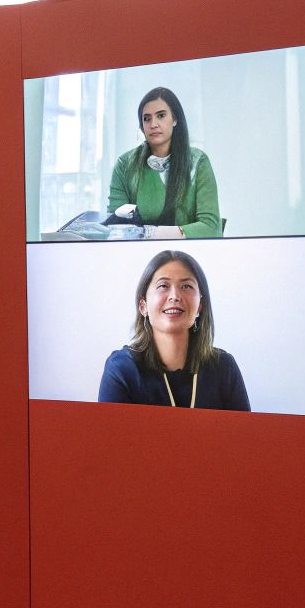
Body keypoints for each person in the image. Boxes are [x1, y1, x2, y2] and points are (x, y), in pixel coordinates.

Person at [97, 250, 251, 411]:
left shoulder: (224, 367)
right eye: (163, 286)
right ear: (143, 306)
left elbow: (243, 428)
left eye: (186, 286)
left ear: (200, 306)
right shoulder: (122, 368)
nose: (175, 296)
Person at [106, 88, 223, 239]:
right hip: (136, 251)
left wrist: (152, 233)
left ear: (175, 119)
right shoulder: (125, 164)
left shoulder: (198, 162)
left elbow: (211, 227)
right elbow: (114, 228)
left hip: (188, 251)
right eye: (147, 118)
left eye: (161, 116)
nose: (153, 124)